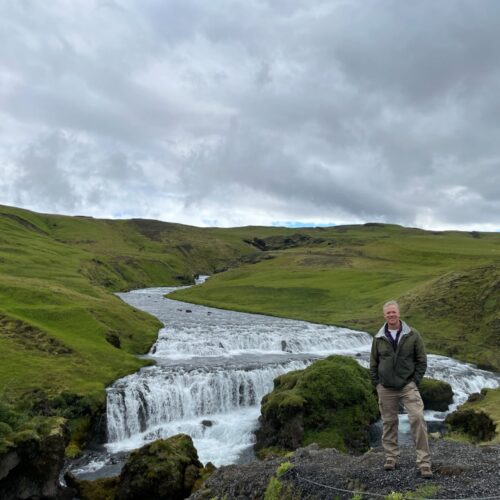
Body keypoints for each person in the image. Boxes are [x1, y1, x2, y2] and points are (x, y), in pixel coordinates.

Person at [369, 300, 432, 478]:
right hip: (386, 388)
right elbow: (373, 363)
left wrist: (414, 381)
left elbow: (422, 360)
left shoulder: (413, 335)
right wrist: (377, 384)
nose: (391, 315)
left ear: (399, 313)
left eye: (393, 312)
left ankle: (424, 462)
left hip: (407, 386)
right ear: (384, 315)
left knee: (417, 418)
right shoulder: (379, 338)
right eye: (388, 313)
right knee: (389, 423)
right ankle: (391, 457)